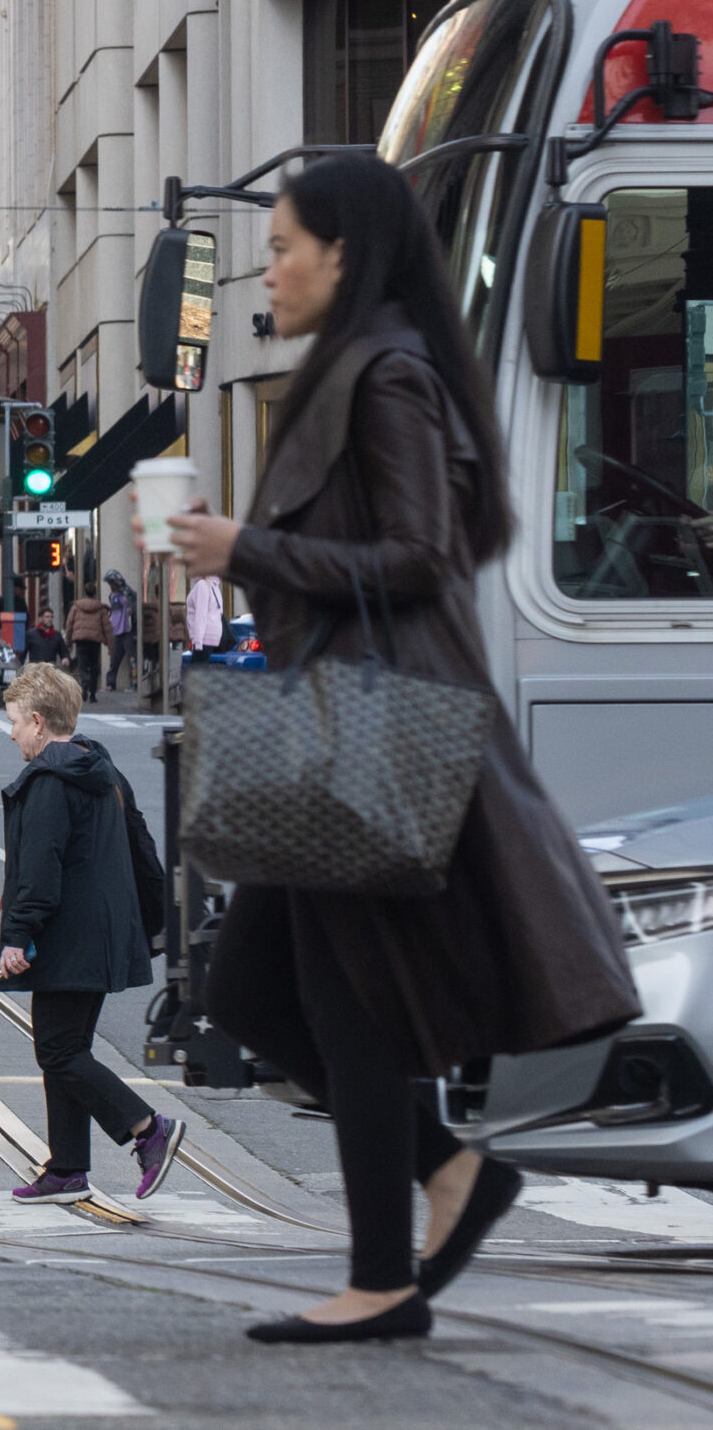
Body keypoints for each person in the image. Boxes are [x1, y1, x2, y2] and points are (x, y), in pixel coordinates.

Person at [162, 153, 639, 1343]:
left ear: (342, 253)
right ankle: (450, 1173)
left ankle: (382, 1277)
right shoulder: (352, 369)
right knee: (249, 988)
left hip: (371, 733)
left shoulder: (385, 377)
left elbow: (422, 555)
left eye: (280, 246)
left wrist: (246, 551)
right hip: (339, 730)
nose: (266, 266)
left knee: (345, 1003)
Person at [0, 664, 184, 1207]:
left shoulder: (50, 779)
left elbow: (39, 869)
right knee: (68, 1049)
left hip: (68, 937)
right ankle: (67, 1168)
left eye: (13, 723)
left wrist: (17, 936)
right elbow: (143, 849)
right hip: (101, 936)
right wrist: (153, 924)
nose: (11, 735)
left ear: (36, 720)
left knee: (57, 1052)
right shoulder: (101, 769)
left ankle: (148, 1129)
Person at [64, 584, 109, 699]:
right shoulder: (101, 608)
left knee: (82, 665)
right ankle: (93, 693)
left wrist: (68, 641)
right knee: (94, 666)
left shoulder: (76, 606)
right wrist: (111, 645)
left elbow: (69, 624)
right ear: (95, 593)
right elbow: (107, 627)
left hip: (81, 640)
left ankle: (84, 682)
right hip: (95, 641)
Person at [103, 572, 135, 693]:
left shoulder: (126, 594)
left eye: (112, 583)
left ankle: (134, 683)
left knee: (132, 659)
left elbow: (132, 607)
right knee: (114, 659)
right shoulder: (113, 596)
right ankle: (111, 683)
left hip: (127, 630)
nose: (111, 586)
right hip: (116, 631)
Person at [186, 574, 226, 663]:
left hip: (204, 637)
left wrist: (198, 642)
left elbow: (201, 615)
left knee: (196, 672)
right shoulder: (215, 586)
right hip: (213, 635)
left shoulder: (202, 585)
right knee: (201, 670)